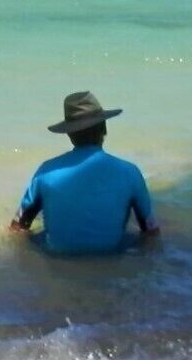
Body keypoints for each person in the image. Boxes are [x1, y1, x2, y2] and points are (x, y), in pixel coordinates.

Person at [10, 90, 158, 255]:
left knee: (31, 236)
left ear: (70, 134)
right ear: (104, 129)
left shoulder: (46, 171)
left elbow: (17, 227)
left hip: (58, 258)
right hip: (110, 256)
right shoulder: (130, 172)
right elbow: (151, 231)